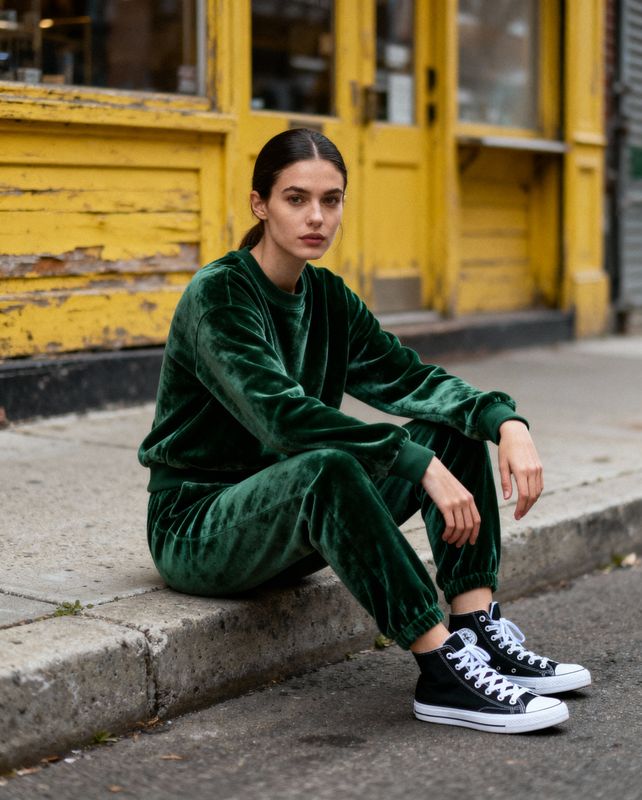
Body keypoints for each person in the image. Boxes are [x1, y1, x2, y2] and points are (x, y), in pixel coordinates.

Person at [138, 128, 590, 734]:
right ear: (259, 204)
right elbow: (281, 416)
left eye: (332, 200)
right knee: (331, 465)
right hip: (200, 527)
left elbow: (409, 380)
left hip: (290, 521)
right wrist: (413, 462)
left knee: (448, 433)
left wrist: (503, 419)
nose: (316, 217)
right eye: (296, 199)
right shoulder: (219, 295)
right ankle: (441, 669)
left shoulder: (327, 297)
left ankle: (476, 626)